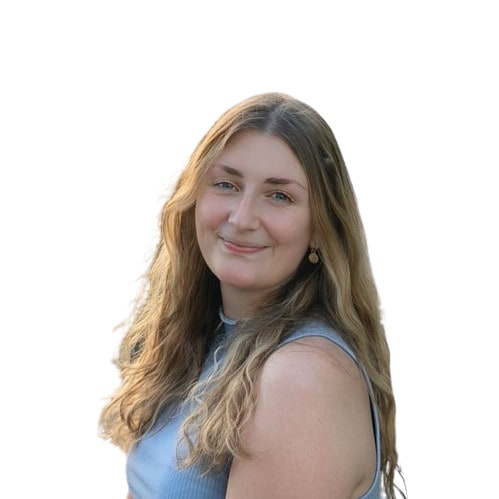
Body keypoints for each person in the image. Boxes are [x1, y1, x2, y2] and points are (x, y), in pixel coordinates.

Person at [99, 92, 404, 498]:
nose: (241, 219)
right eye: (226, 184)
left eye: (279, 195)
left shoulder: (301, 379)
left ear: (320, 227)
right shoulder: (203, 341)